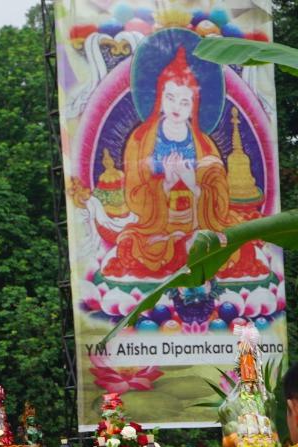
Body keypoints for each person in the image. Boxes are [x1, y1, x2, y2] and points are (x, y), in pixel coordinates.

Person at [105, 46, 266, 280]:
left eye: (184, 101)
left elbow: (220, 200)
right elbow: (134, 196)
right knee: (132, 246)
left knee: (230, 247)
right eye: (170, 98)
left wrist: (194, 186)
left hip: (199, 225)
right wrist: (166, 185)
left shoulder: (205, 145)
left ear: (194, 105)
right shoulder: (140, 141)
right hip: (156, 229)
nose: (176, 107)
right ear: (160, 99)